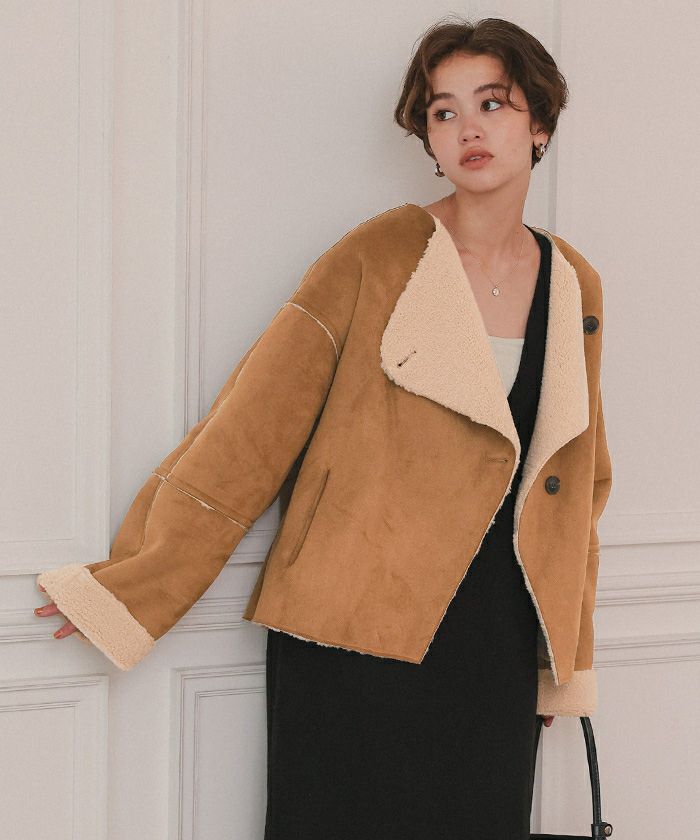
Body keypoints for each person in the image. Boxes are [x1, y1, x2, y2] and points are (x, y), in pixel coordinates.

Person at [35, 15, 612, 839]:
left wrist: (562, 657)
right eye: (443, 112)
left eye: (493, 103)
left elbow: (579, 484)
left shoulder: (574, 283)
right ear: (428, 138)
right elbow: (250, 433)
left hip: (495, 642)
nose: (468, 128)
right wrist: (134, 584)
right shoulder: (378, 256)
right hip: (351, 630)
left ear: (540, 123)